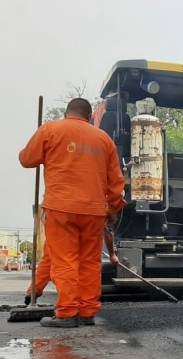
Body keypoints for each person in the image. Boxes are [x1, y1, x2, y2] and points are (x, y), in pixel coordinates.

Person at [19, 98, 125, 328]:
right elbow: (116, 181)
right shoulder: (104, 139)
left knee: (65, 260)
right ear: (88, 116)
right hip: (94, 211)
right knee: (89, 262)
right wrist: (114, 208)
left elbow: (27, 160)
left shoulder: (50, 129)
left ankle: (67, 313)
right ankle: (87, 312)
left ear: (68, 113)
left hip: (61, 208)